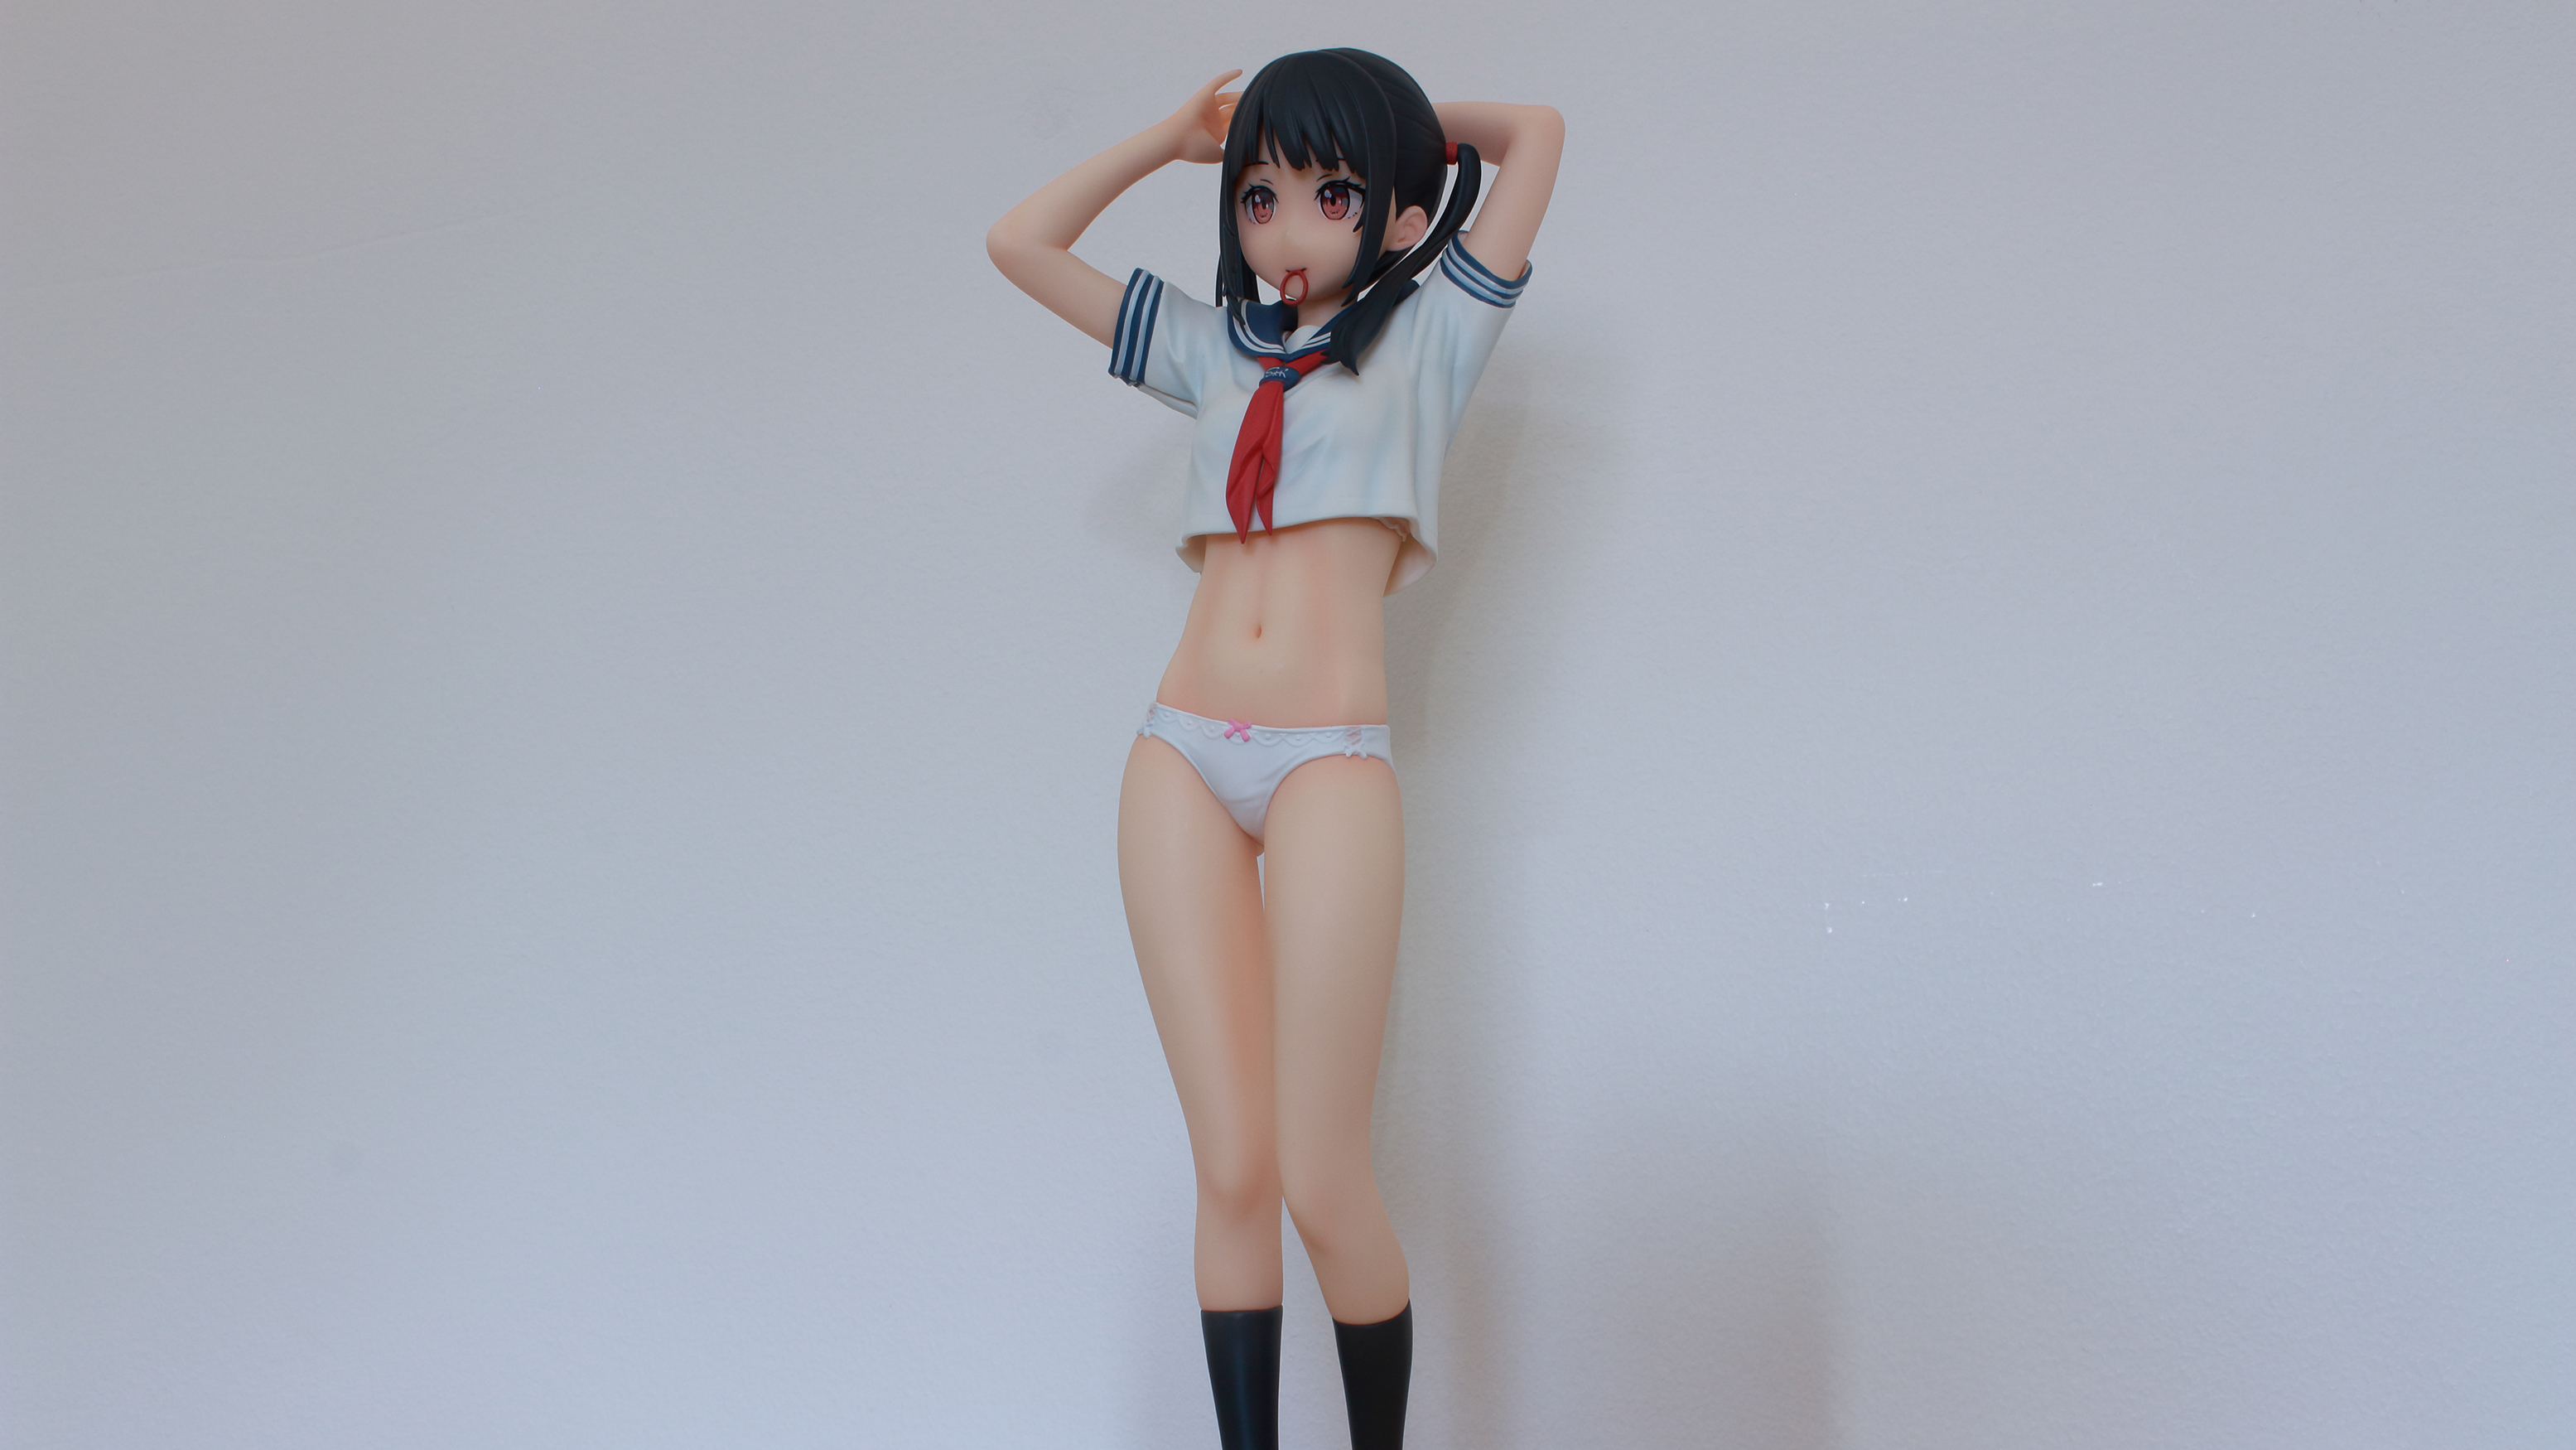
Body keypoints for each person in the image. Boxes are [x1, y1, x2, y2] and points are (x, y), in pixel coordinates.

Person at [987, 49, 1560, 1450]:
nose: (1285, 226)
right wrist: (1172, 135)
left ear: (1399, 215)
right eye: (1259, 195)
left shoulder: (1431, 339)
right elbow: (1019, 244)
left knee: (1321, 1175)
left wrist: (1391, 129)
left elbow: (1537, 131)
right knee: (1234, 1169)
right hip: (1176, 752)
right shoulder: (1212, 350)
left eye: (1329, 194)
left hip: (1326, 762)